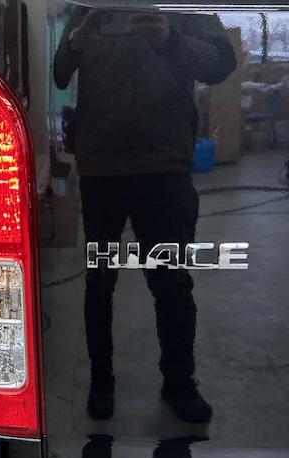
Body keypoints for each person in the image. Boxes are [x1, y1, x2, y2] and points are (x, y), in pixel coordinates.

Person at [54, 8, 236, 423]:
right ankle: (102, 381)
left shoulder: (180, 6)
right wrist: (77, 39)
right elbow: (61, 73)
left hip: (163, 170)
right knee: (100, 282)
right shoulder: (87, 6)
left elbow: (221, 63)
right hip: (101, 171)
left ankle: (179, 383)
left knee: (171, 283)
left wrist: (171, 39)